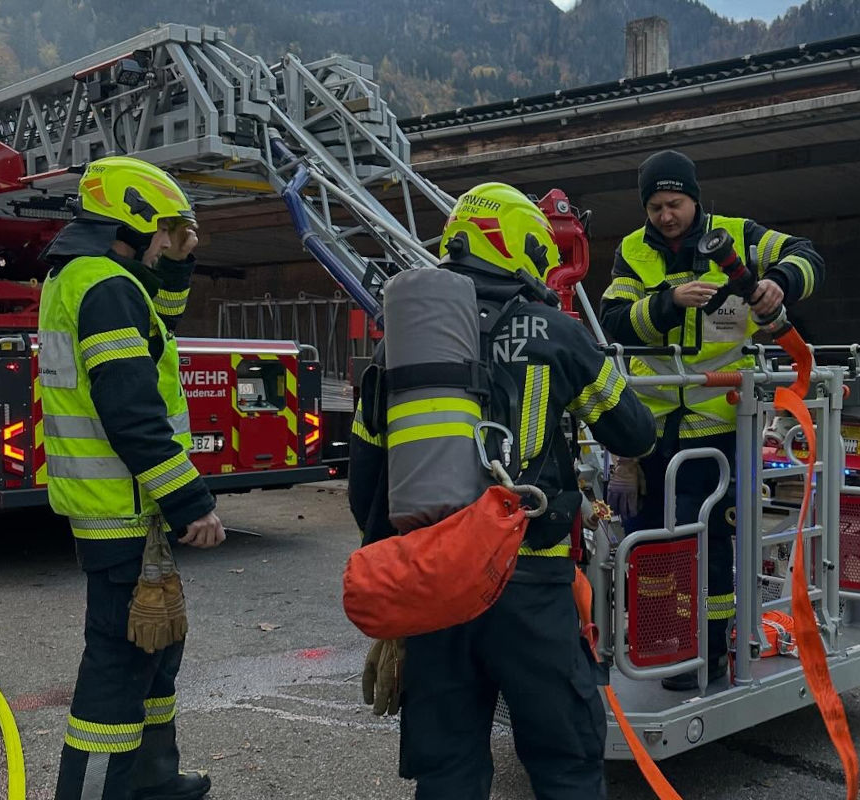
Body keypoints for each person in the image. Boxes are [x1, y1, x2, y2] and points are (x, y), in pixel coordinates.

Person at [347, 182, 656, 799]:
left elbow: (366, 485)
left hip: (435, 585)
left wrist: (398, 606)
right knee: (566, 763)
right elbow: (634, 432)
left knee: (447, 769)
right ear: (519, 247)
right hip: (530, 585)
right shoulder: (556, 331)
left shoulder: (401, 344)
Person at [597, 149, 824, 690]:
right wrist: (669, 302)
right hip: (653, 432)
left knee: (713, 544)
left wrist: (781, 282)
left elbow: (808, 256)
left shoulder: (739, 235)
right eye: (655, 206)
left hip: (721, 428)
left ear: (695, 200)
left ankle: (710, 650)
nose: (665, 216)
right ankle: (660, 640)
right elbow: (614, 322)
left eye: (674, 204)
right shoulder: (632, 250)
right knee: (651, 542)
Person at [39, 156, 224, 800]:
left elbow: (159, 325)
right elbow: (132, 413)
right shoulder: (107, 288)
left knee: (155, 651)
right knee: (117, 671)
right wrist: (190, 502)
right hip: (121, 508)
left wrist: (178, 263)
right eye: (170, 229)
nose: (175, 239)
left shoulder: (93, 278)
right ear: (136, 222)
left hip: (120, 507)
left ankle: (152, 780)